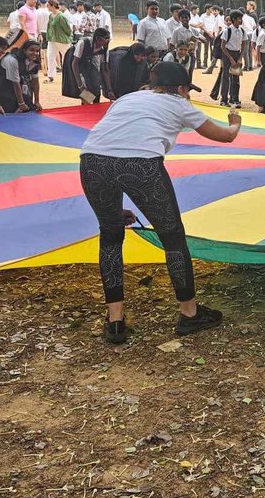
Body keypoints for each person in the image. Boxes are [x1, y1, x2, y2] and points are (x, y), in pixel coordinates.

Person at [80, 62, 240, 343]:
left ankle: (115, 320)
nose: (188, 95)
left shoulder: (127, 98)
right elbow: (225, 136)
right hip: (142, 165)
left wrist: (115, 208)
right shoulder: (179, 104)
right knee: (173, 237)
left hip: (92, 161)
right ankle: (189, 314)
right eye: (187, 90)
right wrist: (235, 121)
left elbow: (114, 141)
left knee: (110, 234)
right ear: (180, 88)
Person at [64, 27, 113, 104]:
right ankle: (85, 107)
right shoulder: (83, 43)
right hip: (78, 64)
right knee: (86, 96)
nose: (108, 41)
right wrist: (80, 86)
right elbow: (75, 64)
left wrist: (109, 89)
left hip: (91, 64)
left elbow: (105, 69)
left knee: (96, 90)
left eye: (108, 39)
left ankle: (95, 108)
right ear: (98, 39)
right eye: (106, 38)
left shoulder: (105, 48)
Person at [217, 9, 246, 107]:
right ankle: (224, 99)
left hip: (237, 54)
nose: (240, 21)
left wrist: (240, 58)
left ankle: (235, 98)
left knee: (236, 78)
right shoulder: (228, 31)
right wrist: (230, 58)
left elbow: (244, 44)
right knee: (226, 77)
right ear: (233, 19)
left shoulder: (242, 31)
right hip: (227, 54)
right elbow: (223, 46)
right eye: (239, 19)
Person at [44, 0, 70, 83]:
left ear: (52, 6)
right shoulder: (51, 16)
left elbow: (67, 29)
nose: (47, 7)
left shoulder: (61, 16)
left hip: (62, 40)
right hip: (52, 40)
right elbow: (49, 27)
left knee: (67, 58)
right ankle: (51, 76)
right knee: (50, 56)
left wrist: (68, 37)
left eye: (48, 5)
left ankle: (69, 76)